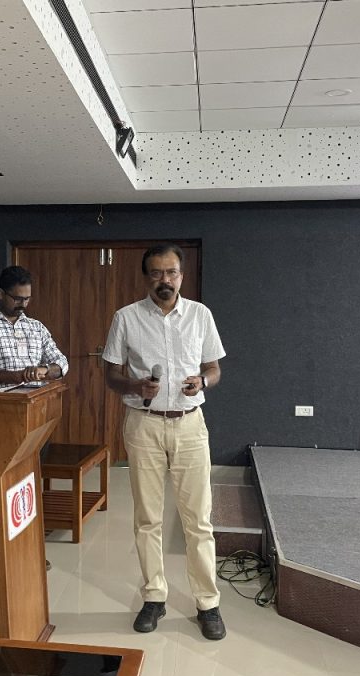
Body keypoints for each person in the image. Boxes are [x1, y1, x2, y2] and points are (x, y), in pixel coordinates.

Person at [102, 244, 227, 641]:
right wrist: (135, 385)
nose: (165, 280)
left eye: (171, 272)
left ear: (181, 276)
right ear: (146, 278)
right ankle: (154, 596)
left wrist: (202, 381)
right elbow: (110, 375)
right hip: (144, 425)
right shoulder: (126, 318)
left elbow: (214, 368)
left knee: (199, 520)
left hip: (190, 425)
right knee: (147, 518)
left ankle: (207, 603)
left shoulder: (200, 315)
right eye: (156, 273)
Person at [0, 265, 68, 391]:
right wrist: (13, 377)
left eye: (27, 299)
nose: (23, 304)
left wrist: (44, 369)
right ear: (1, 294)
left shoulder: (37, 328)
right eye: (17, 299)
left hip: (36, 400)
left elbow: (62, 363)